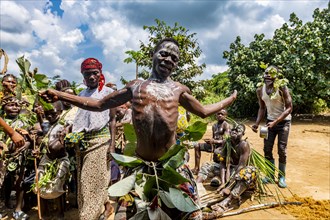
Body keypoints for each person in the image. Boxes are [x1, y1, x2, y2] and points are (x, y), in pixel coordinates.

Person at [40, 38, 237, 219]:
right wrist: (60, 95)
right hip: (141, 167)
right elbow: (97, 104)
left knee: (190, 214)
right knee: (128, 213)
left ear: (176, 64)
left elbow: (203, 111)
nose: (168, 59)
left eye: (174, 58)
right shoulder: (136, 87)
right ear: (153, 54)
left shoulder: (178, 89)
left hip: (172, 167)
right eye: (164, 54)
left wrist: (230, 99)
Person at [58, 58, 115, 220]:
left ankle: (87, 217)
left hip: (100, 141)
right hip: (81, 143)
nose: (91, 77)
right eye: (87, 74)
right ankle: (106, 207)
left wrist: (111, 145)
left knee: (89, 183)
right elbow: (79, 120)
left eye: (94, 73)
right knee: (88, 183)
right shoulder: (81, 95)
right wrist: (67, 131)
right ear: (83, 76)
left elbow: (113, 120)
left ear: (100, 73)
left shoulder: (108, 94)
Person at [202, 124, 257, 219]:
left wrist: (228, 186)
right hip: (231, 172)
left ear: (243, 133)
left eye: (238, 130)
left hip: (240, 175)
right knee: (207, 165)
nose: (234, 131)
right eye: (233, 130)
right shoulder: (226, 142)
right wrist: (223, 183)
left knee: (249, 171)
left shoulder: (244, 145)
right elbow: (223, 163)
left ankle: (227, 200)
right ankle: (198, 187)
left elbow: (241, 166)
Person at [251, 65, 293, 188]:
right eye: (266, 73)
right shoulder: (260, 90)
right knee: (267, 149)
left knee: (282, 149)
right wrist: (257, 123)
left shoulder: (282, 87)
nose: (268, 75)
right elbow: (262, 107)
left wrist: (275, 122)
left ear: (277, 76)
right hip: (269, 123)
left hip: (284, 122)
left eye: (271, 73)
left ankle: (281, 176)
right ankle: (269, 176)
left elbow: (290, 108)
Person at [192, 109, 230, 175]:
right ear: (216, 115)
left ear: (225, 116)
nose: (220, 115)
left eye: (222, 114)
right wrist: (210, 141)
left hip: (222, 147)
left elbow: (226, 140)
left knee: (217, 152)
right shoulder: (214, 125)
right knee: (197, 146)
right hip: (213, 145)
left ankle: (218, 170)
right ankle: (197, 168)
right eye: (218, 114)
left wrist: (214, 141)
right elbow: (214, 137)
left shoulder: (226, 125)